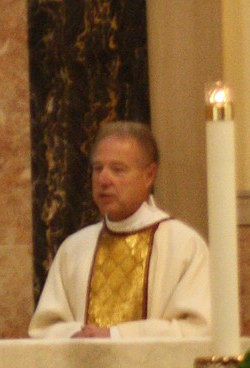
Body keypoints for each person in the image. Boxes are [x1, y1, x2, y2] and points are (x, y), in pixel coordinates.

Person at [29, 121, 211, 339]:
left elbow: (199, 329)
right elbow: (44, 329)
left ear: (149, 175)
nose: (103, 179)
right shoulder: (74, 249)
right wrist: (77, 335)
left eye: (118, 169)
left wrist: (115, 335)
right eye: (98, 169)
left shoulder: (183, 246)